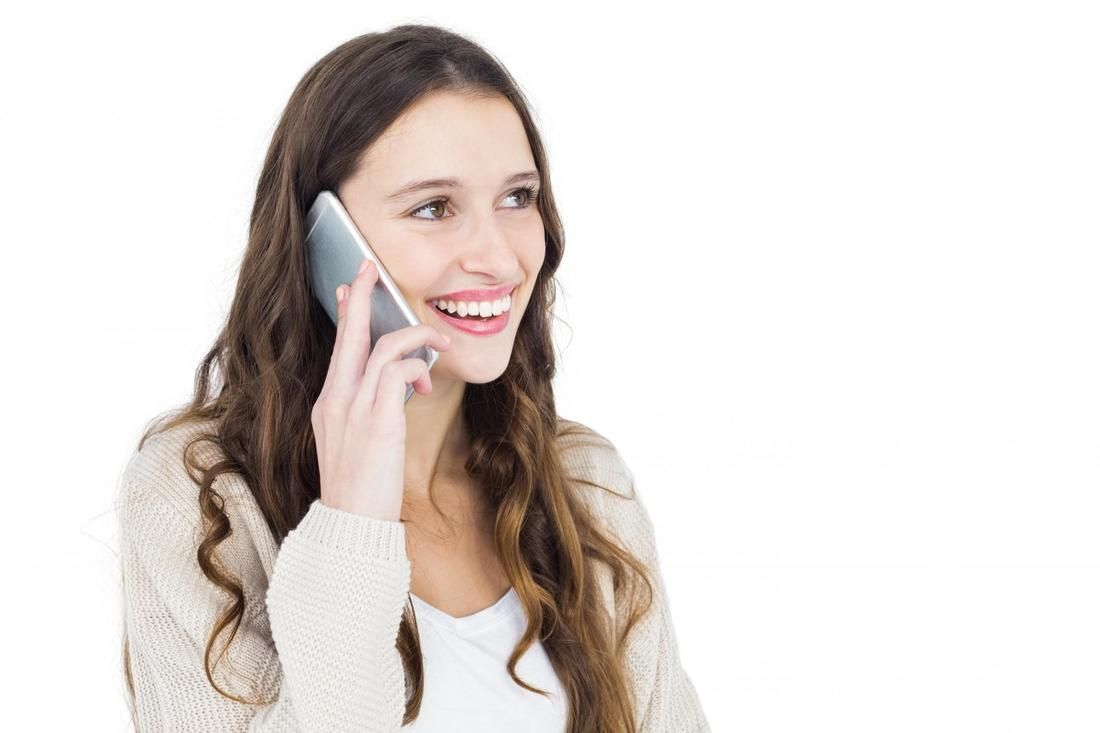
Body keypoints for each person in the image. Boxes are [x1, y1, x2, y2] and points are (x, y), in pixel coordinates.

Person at [115, 23, 711, 732]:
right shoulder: (198, 499)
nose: (499, 258)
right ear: (322, 240)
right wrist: (351, 523)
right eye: (434, 208)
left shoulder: (586, 481)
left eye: (517, 198)